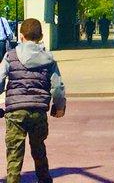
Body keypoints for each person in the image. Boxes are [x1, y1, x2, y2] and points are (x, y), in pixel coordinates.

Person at [0, 18, 66, 183]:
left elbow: (0, 81)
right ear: (41, 36)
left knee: (14, 153)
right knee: (38, 150)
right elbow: (57, 87)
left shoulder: (10, 56)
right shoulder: (48, 59)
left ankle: (13, 180)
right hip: (38, 111)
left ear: (21, 36)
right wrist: (59, 107)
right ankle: (44, 179)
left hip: (15, 112)